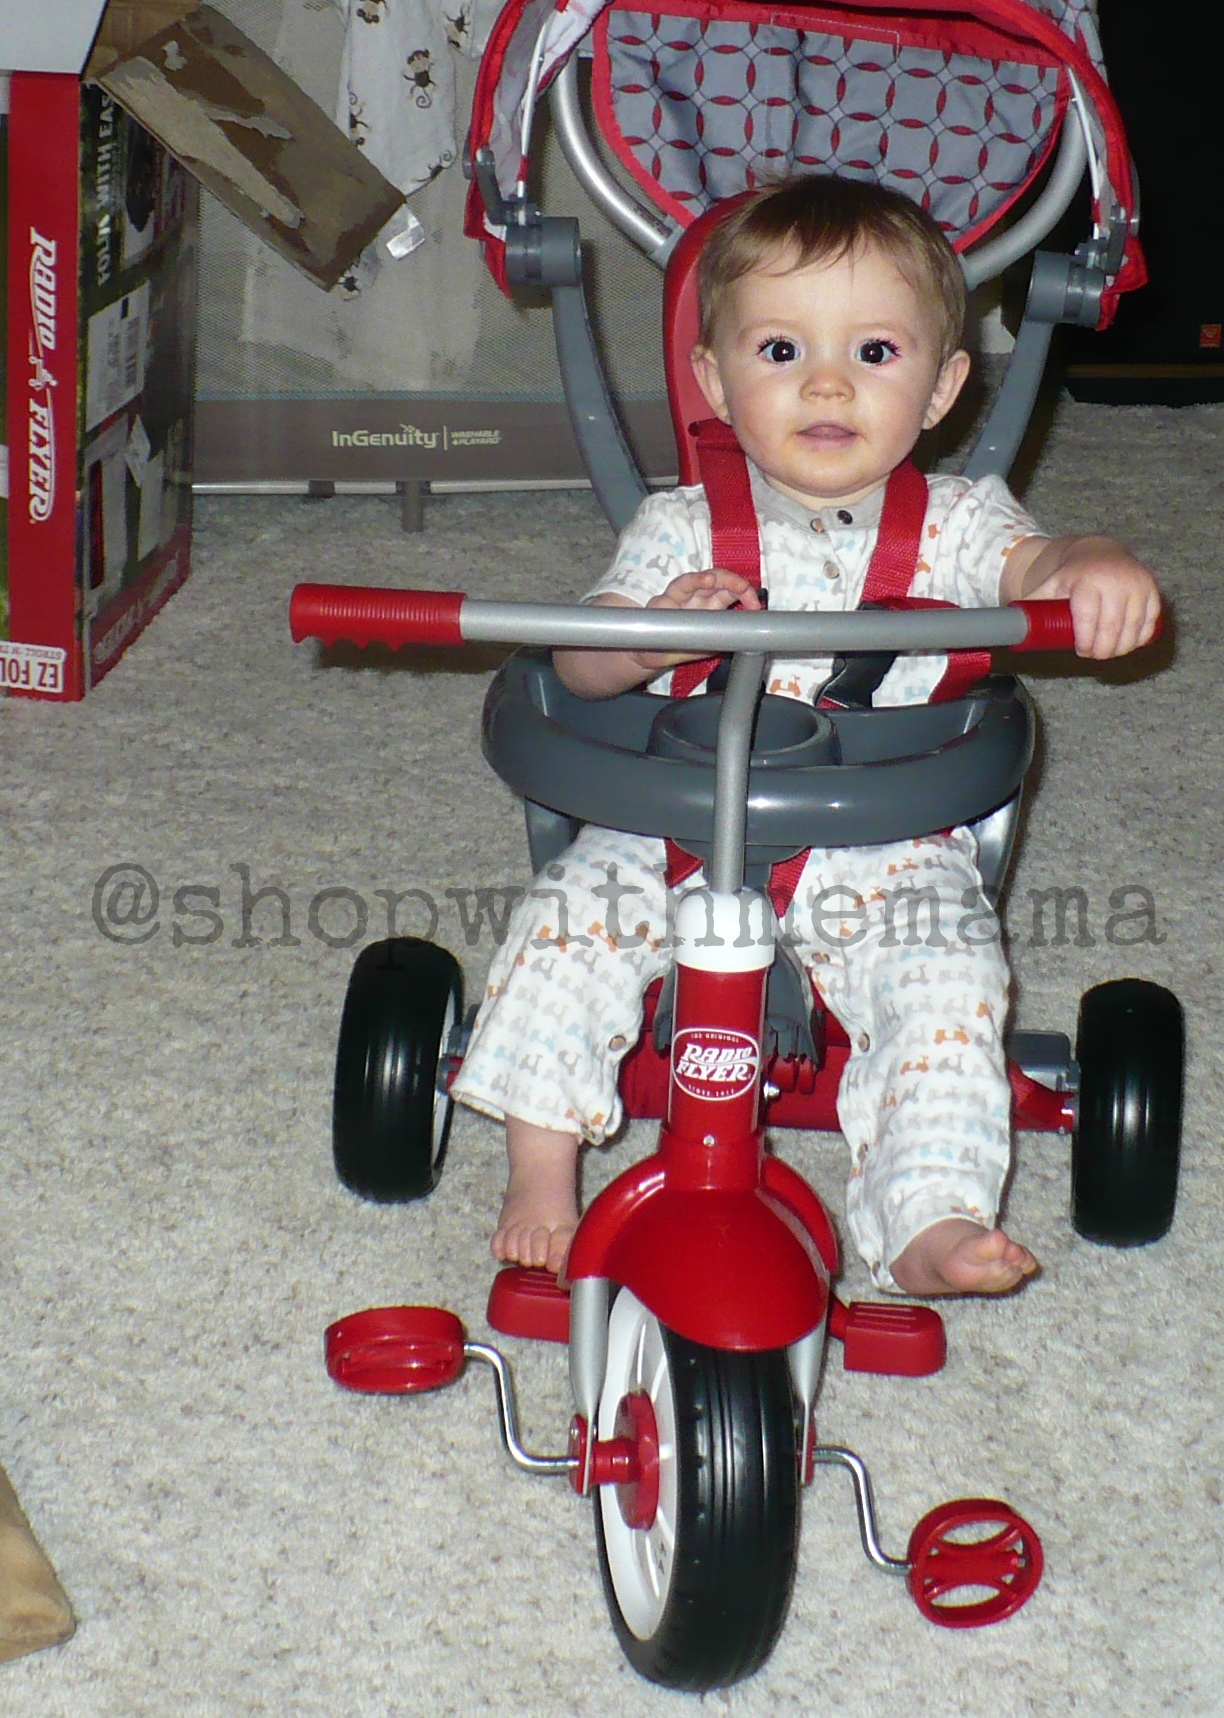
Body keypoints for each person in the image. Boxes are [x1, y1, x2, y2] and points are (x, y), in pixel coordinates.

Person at [451, 175, 1161, 1299]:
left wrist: (1088, 565)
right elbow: (578, 668)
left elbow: (1036, 569)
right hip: (676, 828)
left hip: (886, 845)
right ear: (712, 383)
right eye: (779, 351)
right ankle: (541, 1172)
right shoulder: (679, 524)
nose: (826, 382)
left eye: (875, 353)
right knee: (566, 925)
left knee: (947, 978)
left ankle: (929, 1212)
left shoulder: (960, 524)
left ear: (941, 389)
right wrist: (644, 637)